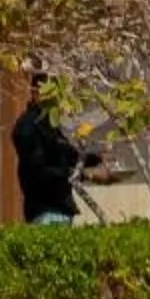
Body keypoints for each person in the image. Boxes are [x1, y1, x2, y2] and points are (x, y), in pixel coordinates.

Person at [11, 95, 100, 224]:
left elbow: (68, 155)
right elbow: (38, 171)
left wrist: (96, 159)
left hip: (58, 207)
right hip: (46, 207)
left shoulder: (48, 124)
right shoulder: (30, 125)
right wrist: (86, 175)